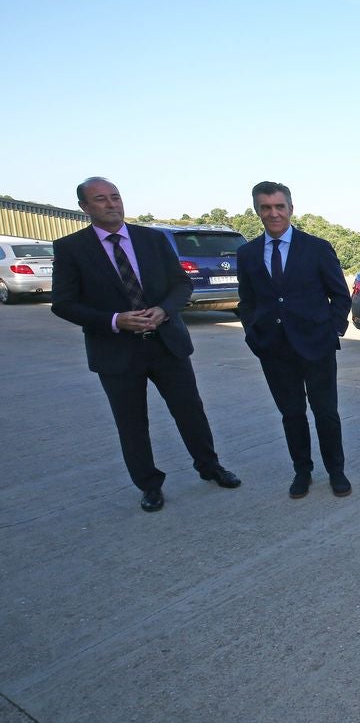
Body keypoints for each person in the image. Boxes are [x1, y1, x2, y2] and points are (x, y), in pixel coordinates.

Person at [51, 177, 240, 512]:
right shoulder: (71, 249)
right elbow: (63, 303)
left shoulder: (151, 239)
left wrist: (165, 310)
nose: (111, 204)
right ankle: (149, 485)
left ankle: (210, 467)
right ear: (84, 207)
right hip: (116, 351)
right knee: (131, 422)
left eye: (115, 197)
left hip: (166, 343)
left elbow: (181, 284)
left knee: (190, 412)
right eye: (100, 199)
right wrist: (114, 320)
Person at [236, 181, 353, 499]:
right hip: (274, 348)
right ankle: (302, 471)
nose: (273, 213)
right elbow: (246, 301)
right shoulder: (247, 254)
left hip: (317, 345)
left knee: (326, 412)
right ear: (257, 210)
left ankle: (336, 471)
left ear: (290, 208)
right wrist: (253, 334)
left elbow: (340, 296)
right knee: (291, 414)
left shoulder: (316, 248)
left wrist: (333, 331)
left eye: (279, 206)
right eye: (266, 207)